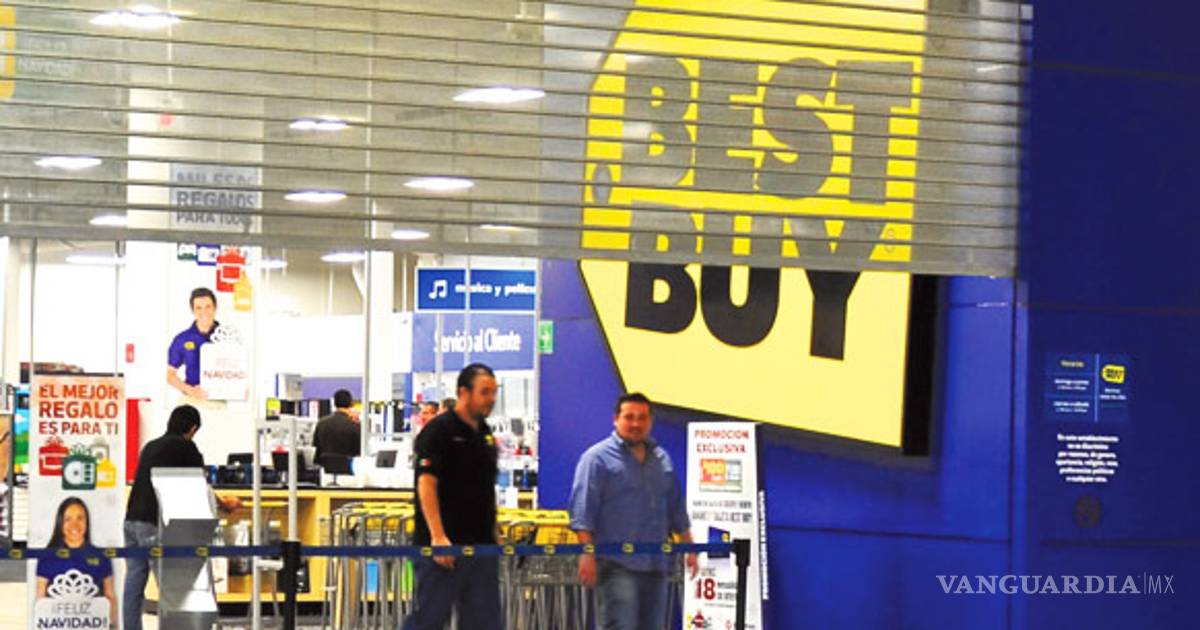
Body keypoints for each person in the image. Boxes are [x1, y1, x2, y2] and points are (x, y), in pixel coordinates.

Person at [569, 392, 698, 630]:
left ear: (650, 421)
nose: (636, 424)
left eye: (642, 418)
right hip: (615, 564)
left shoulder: (661, 459)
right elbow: (582, 511)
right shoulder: (596, 459)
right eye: (629, 417)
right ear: (615, 419)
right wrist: (586, 555)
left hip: (656, 563)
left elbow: (675, 506)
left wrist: (689, 547)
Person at [123, 404, 238, 630]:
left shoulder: (150, 446)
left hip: (132, 519)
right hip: (155, 523)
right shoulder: (186, 447)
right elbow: (199, 485)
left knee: (134, 582)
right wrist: (225, 504)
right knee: (171, 588)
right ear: (192, 428)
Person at [404, 364, 501, 630]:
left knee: (484, 622)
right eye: (485, 392)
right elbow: (426, 484)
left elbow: (485, 486)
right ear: (463, 393)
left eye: (494, 392)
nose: (491, 399)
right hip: (443, 547)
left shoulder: (484, 433)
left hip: (481, 547)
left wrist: (493, 530)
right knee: (429, 620)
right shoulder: (439, 431)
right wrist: (437, 536)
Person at [37, 497, 116, 625]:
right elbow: (41, 599)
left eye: (80, 518)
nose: (74, 525)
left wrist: (112, 625)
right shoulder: (47, 557)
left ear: (87, 522)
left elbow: (109, 596)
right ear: (60, 523)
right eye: (68, 519)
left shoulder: (101, 556)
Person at [166, 287, 219, 400]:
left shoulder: (229, 338)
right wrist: (190, 391)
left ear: (215, 307)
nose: (204, 312)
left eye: (208, 307)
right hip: (191, 399)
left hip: (219, 399)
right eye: (198, 308)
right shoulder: (182, 339)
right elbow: (169, 374)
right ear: (193, 310)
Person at [312, 389, 361, 463]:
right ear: (350, 403)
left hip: (326, 467)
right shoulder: (355, 425)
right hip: (349, 467)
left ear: (334, 403)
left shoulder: (321, 423)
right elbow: (360, 450)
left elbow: (317, 447)